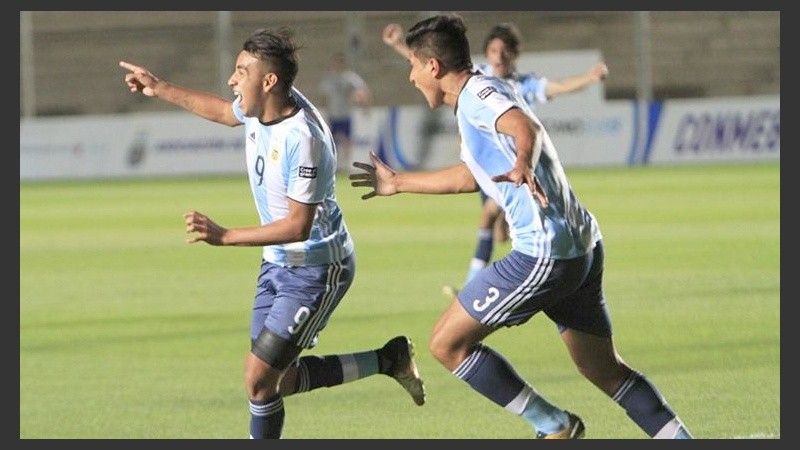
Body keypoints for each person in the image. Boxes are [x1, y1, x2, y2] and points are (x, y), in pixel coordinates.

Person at [353, 14, 692, 439]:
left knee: (446, 344)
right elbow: (470, 175)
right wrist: (399, 182)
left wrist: (522, 163)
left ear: (433, 68)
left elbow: (523, 126)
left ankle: (555, 425)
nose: (411, 76)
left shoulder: (480, 96)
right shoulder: (477, 96)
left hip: (543, 253)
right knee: (605, 371)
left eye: (414, 66)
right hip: (581, 245)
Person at [119, 27, 424, 440]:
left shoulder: (304, 139)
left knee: (258, 379)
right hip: (278, 263)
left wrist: (225, 236)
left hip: (318, 267)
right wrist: (160, 87)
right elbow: (225, 113)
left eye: (241, 70)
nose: (232, 79)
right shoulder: (259, 107)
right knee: (273, 383)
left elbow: (298, 226)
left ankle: (389, 361)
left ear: (269, 81)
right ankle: (389, 359)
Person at [383, 22, 609, 293]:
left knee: (448, 336)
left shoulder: (485, 90)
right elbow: (428, 59)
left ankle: (470, 286)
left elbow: (533, 119)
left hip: (535, 223)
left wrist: (591, 78)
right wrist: (397, 182)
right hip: (527, 197)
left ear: (514, 54)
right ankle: (477, 279)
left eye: (504, 51)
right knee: (497, 227)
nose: (498, 56)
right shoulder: (478, 80)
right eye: (493, 50)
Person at [318, 51, 372, 173]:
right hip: (333, 114)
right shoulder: (329, 79)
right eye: (338, 62)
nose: (339, 64)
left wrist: (365, 107)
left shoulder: (350, 78)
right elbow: (323, 97)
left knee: (347, 141)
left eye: (342, 62)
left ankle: (347, 164)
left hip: (346, 114)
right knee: (332, 141)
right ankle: (333, 165)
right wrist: (322, 112)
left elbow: (363, 92)